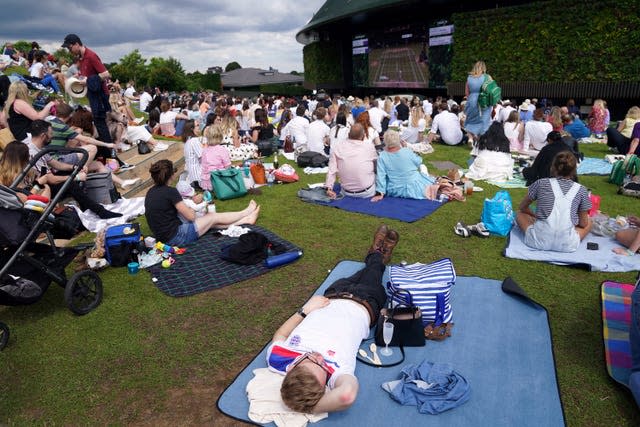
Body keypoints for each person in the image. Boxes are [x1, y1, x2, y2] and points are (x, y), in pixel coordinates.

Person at [267, 224, 399, 413]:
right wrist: (308, 407)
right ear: (324, 388)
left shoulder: (279, 359)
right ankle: (379, 253)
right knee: (373, 272)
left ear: (290, 370)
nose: (320, 358)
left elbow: (280, 334)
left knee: (364, 272)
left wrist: (305, 310)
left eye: (309, 359)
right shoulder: (337, 374)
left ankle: (377, 253)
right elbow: (346, 396)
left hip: (334, 294)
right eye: (322, 365)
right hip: (366, 302)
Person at [144, 159, 259, 246]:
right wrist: (192, 204)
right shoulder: (170, 192)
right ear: (171, 176)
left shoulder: (150, 192)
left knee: (210, 223)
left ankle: (246, 220)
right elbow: (191, 217)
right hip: (177, 236)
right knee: (211, 217)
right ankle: (245, 212)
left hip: (163, 237)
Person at [26, 120, 122, 219]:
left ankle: (88, 207)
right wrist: (76, 177)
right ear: (43, 136)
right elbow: (50, 179)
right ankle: (100, 211)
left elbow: (55, 164)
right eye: (50, 134)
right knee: (70, 183)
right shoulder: (32, 153)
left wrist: (74, 167)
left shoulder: (39, 148)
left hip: (45, 183)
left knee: (72, 174)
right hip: (39, 189)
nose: (52, 137)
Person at [516, 151, 592, 252]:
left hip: (537, 241)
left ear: (553, 167)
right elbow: (583, 224)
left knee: (520, 214)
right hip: (567, 245)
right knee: (589, 221)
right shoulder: (582, 190)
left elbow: (522, 207)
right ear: (574, 170)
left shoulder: (540, 183)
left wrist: (534, 215)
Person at [61, 34, 114, 159]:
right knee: (99, 123)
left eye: (69, 48)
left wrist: (88, 81)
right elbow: (87, 73)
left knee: (101, 124)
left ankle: (110, 154)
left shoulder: (91, 56)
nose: (69, 51)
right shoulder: (82, 57)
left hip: (100, 95)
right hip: (93, 95)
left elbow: (106, 74)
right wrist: (78, 76)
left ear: (76, 44)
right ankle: (108, 153)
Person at [371, 130, 436, 202]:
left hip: (395, 189)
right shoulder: (406, 151)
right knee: (423, 169)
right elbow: (419, 162)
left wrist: (380, 192)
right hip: (414, 187)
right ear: (398, 140)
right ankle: (425, 174)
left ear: (385, 141)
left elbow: (381, 176)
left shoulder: (382, 156)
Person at [325, 123, 378, 199]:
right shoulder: (369, 147)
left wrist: (328, 188)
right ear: (363, 136)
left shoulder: (338, 147)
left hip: (346, 191)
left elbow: (331, 170)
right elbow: (377, 165)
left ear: (348, 134)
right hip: (367, 192)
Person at [464, 61, 492, 142]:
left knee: (470, 120)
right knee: (484, 120)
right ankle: (480, 140)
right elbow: (491, 90)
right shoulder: (487, 77)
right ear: (484, 68)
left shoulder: (469, 78)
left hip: (472, 100)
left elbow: (466, 92)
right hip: (484, 100)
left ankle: (470, 138)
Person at [199, 124, 231, 191]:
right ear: (220, 136)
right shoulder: (222, 149)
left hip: (207, 183)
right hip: (219, 181)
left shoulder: (205, 150)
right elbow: (228, 166)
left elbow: (204, 167)